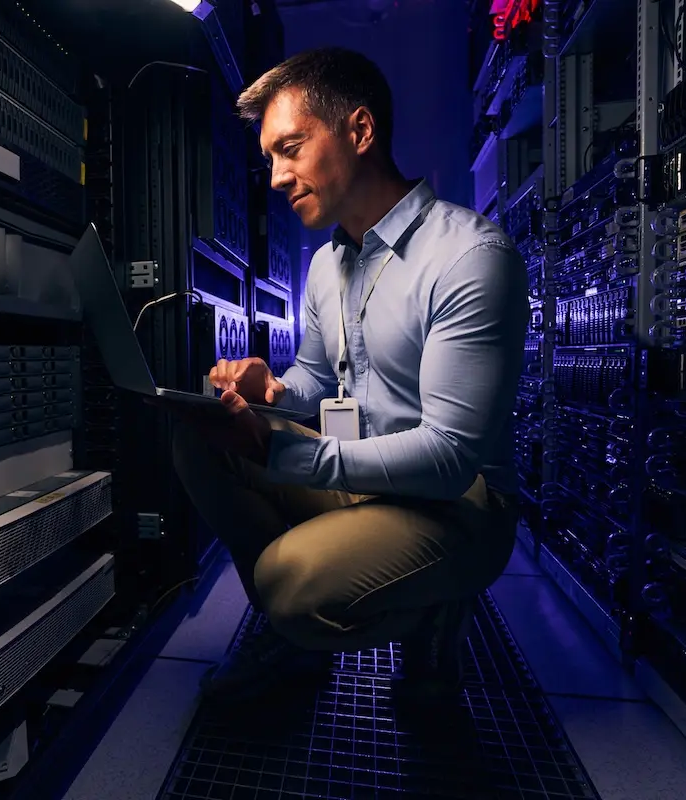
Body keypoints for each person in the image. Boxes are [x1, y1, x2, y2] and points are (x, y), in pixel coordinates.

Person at [169, 46, 529, 707]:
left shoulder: (470, 257)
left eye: (291, 148)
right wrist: (270, 392)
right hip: (367, 476)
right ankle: (295, 635)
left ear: (359, 132)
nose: (275, 177)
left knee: (289, 582)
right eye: (269, 158)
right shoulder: (327, 265)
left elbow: (449, 459)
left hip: (460, 505)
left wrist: (282, 449)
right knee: (201, 435)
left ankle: (435, 606)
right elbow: (314, 378)